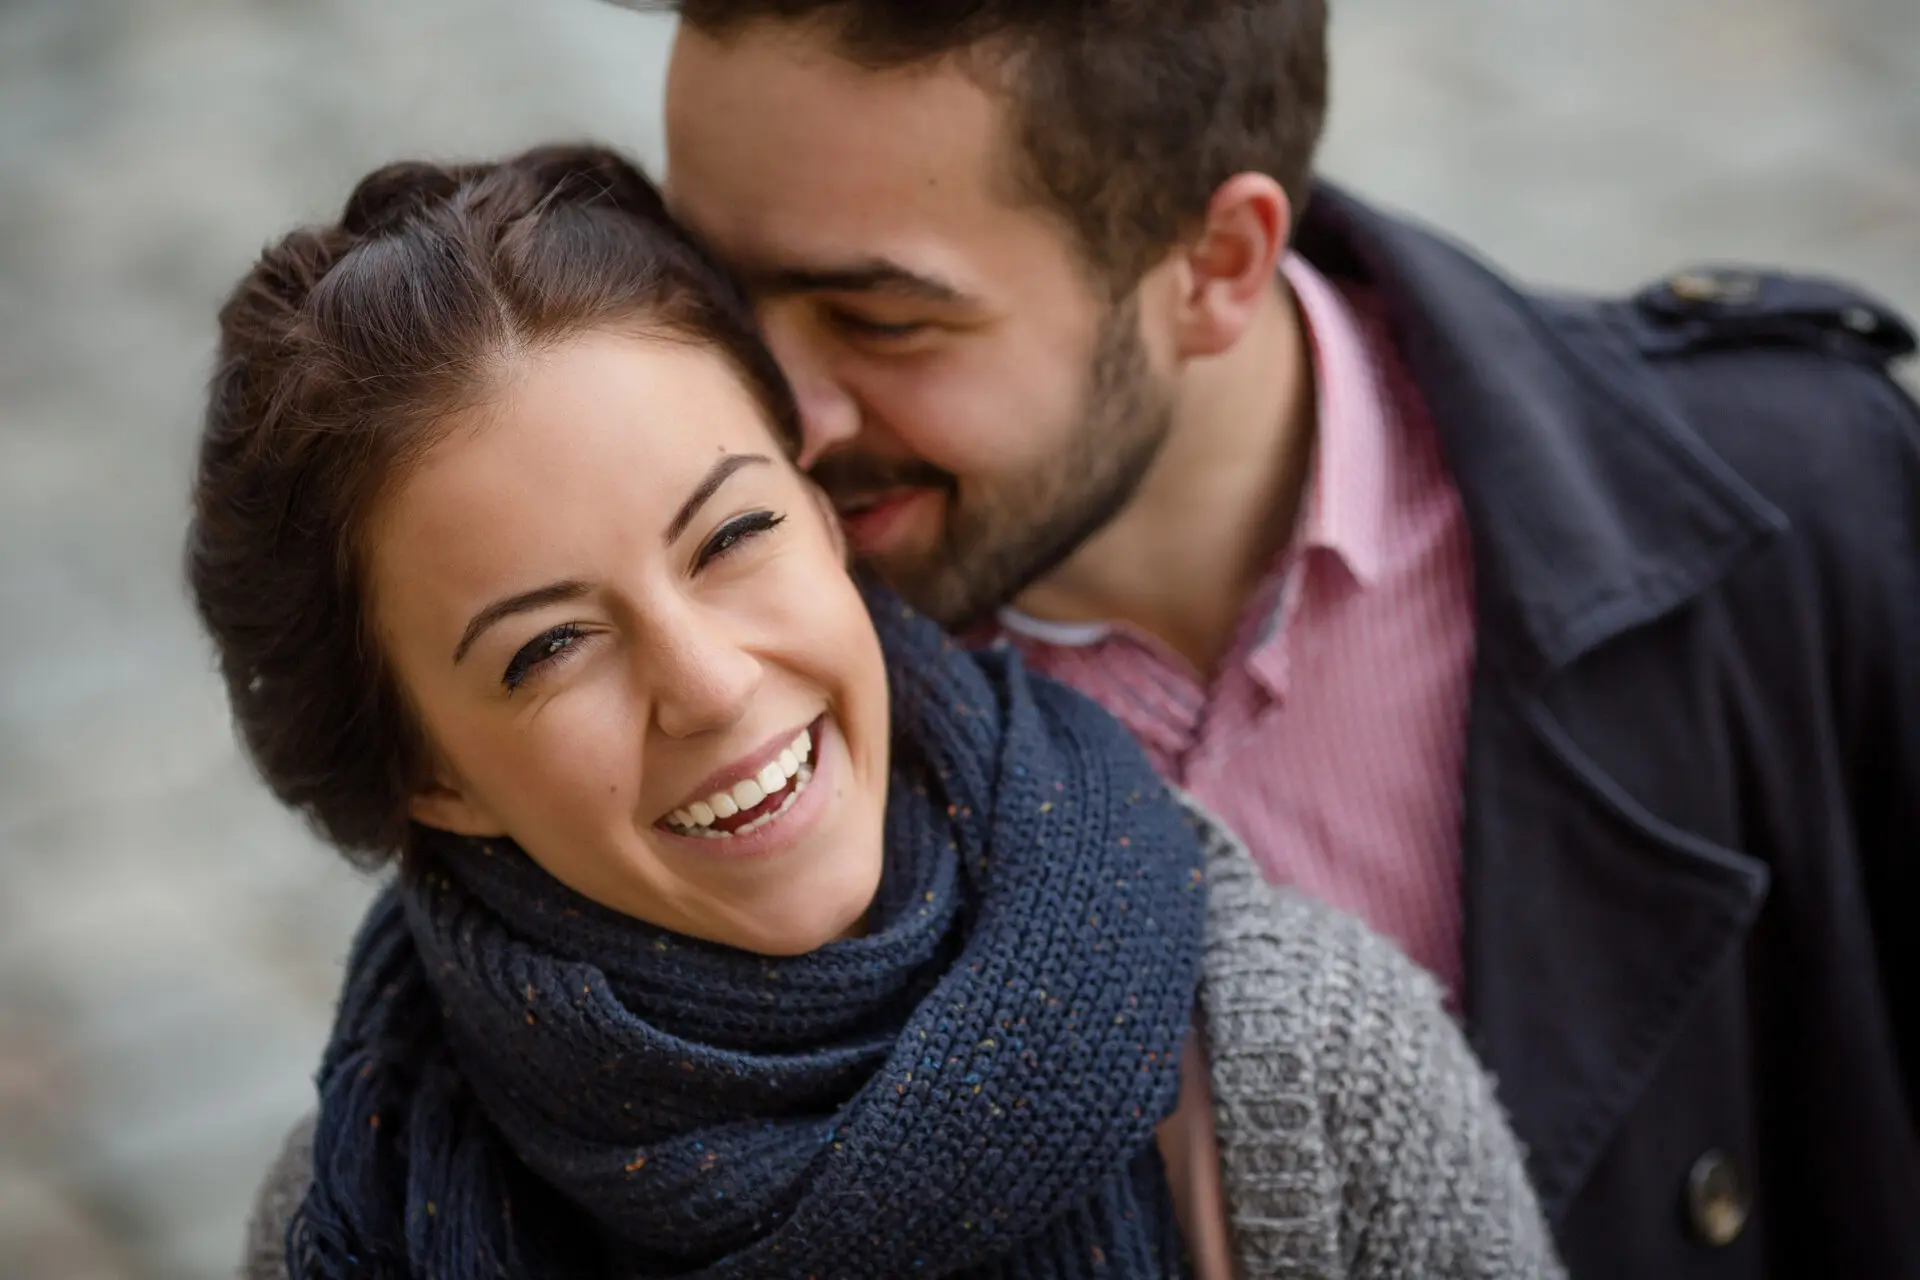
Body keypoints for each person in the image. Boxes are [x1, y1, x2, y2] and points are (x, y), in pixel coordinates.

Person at [629, 1, 1920, 1276]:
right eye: (717, 298)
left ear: (1219, 263)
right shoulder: (687, 701)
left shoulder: (1812, 517)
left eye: (882, 320)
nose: (774, 428)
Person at [194, 145, 1560, 1278]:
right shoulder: (354, 1211)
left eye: (730, 534)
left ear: (820, 505)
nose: (713, 682)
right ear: (431, 774)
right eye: (550, 645)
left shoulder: (1295, 1069)